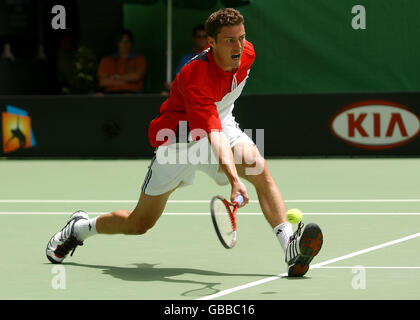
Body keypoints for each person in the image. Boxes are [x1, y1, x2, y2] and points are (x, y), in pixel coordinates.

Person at [46, 8, 323, 277]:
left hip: (221, 121)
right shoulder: (196, 77)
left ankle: (289, 246)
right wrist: (234, 179)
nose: (238, 45)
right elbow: (212, 135)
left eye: (241, 37)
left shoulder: (247, 53)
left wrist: (239, 172)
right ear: (210, 42)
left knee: (258, 168)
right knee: (139, 223)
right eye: (229, 40)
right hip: (177, 143)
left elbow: (218, 126)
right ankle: (80, 228)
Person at [161, 24, 208, 96]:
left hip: (207, 93)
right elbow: (179, 80)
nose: (202, 39)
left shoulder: (214, 58)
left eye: (204, 37)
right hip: (188, 93)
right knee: (164, 94)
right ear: (193, 38)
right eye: (199, 36)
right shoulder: (186, 58)